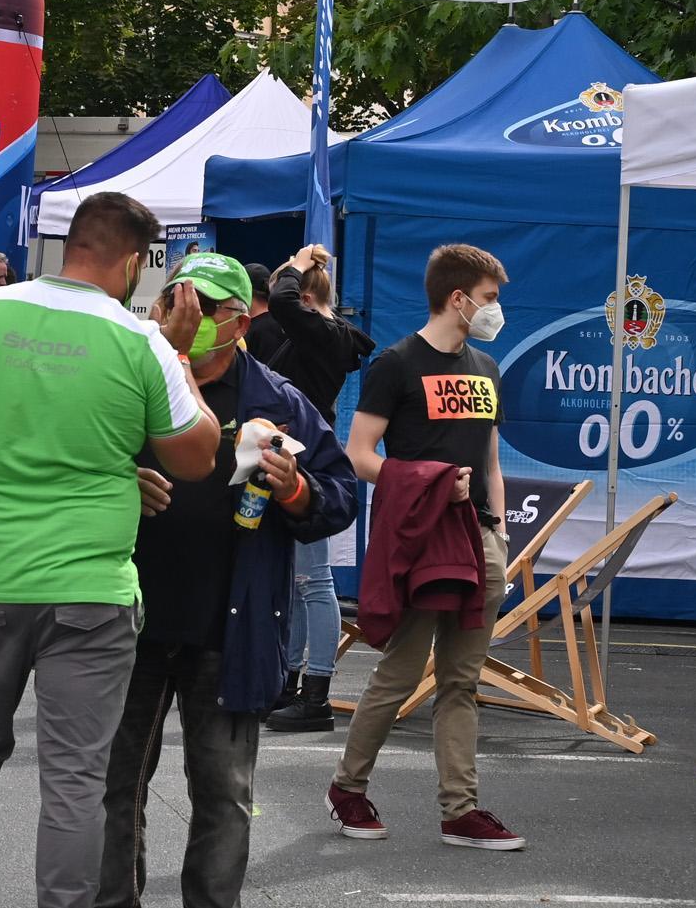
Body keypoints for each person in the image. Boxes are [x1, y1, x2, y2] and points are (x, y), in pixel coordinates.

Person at [0, 192, 222, 908]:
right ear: (133, 261)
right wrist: (184, 354)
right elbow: (197, 456)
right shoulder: (142, 342)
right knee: (75, 775)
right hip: (91, 591)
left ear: (70, 244)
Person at [97, 253, 359, 908]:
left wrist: (298, 491)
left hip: (230, 626)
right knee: (115, 782)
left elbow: (340, 492)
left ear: (239, 320)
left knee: (223, 793)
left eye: (207, 305)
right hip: (128, 616)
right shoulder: (132, 377)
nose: (190, 313)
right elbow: (68, 457)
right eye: (180, 296)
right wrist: (114, 478)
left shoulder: (277, 399)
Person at [326, 243, 523, 851]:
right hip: (420, 538)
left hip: (479, 539)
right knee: (401, 671)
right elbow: (358, 455)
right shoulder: (394, 364)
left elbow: (490, 456)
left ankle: (460, 811)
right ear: (458, 298)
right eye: (490, 299)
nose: (497, 310)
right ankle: (348, 788)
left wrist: (499, 527)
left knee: (461, 681)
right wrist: (428, 481)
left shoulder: (487, 368)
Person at [262, 244, 375, 734]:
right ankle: (291, 682)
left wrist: (297, 262)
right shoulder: (324, 336)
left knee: (315, 580)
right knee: (299, 579)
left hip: (308, 457)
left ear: (306, 295)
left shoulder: (322, 332)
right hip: (296, 451)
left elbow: (282, 301)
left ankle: (317, 693)